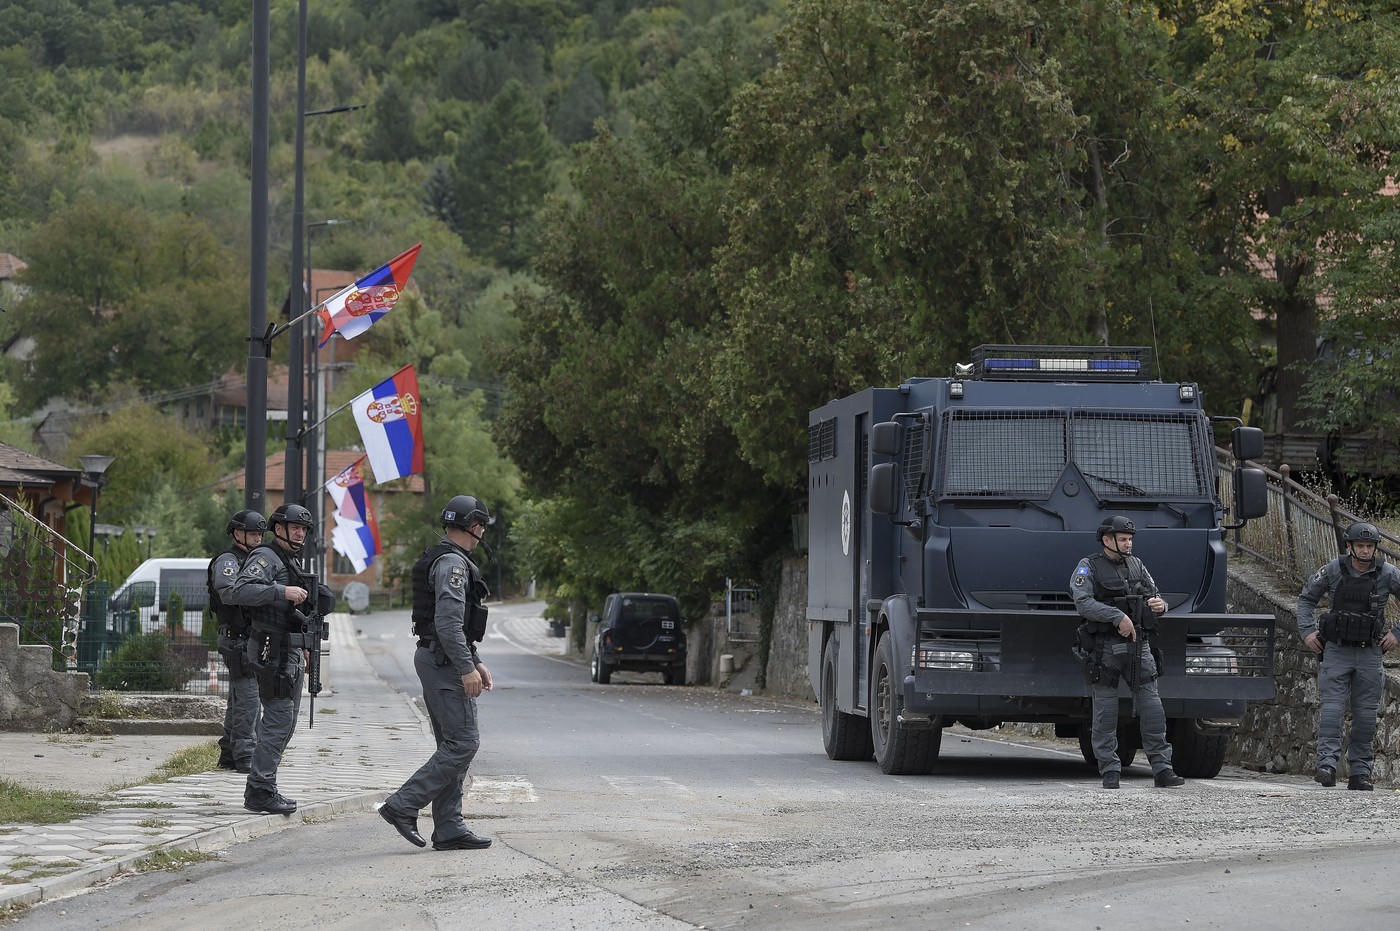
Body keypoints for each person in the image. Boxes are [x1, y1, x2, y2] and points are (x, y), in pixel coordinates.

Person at [379, 495, 495, 851]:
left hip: (439, 658)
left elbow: (452, 624)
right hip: (444, 662)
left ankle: (448, 827)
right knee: (463, 744)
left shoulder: (445, 558)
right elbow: (447, 623)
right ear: (473, 526)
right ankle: (402, 805)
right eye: (481, 527)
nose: (482, 535)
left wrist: (473, 660)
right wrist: (465, 667)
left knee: (452, 745)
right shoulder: (453, 565)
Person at [1070, 515, 1185, 790]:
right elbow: (1083, 603)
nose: (1128, 544)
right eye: (1123, 539)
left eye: (1130, 539)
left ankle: (1162, 770)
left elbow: (1154, 594)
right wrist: (1116, 616)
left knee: (1153, 708)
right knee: (1106, 711)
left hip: (1139, 646)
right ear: (1107, 540)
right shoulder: (1088, 567)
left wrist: (1161, 605)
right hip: (1105, 648)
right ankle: (1110, 770)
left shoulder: (1137, 565)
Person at [1296, 521, 1400, 791]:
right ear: (1349, 546)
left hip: (1370, 653)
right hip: (1337, 650)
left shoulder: (1387, 573)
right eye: (1360, 546)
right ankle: (1326, 766)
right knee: (1332, 710)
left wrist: (1397, 634)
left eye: (1370, 546)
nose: (1365, 551)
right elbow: (1306, 599)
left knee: (1366, 716)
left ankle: (1360, 774)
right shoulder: (1333, 569)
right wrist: (1307, 632)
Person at [224, 503, 313, 815]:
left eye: (304, 528)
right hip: (269, 648)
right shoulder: (267, 557)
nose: (300, 532)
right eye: (294, 527)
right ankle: (260, 790)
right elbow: (238, 591)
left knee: (285, 723)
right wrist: (281, 592)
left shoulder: (287, 559)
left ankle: (263, 785)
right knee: (277, 721)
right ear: (279, 529)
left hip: (287, 647)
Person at [209, 509, 265, 774]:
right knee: (250, 699)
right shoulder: (229, 560)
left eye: (260, 534)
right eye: (253, 533)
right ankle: (246, 755)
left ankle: (230, 753)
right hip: (237, 639)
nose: (258, 538)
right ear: (238, 533)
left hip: (249, 639)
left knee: (239, 698)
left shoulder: (254, 559)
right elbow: (229, 592)